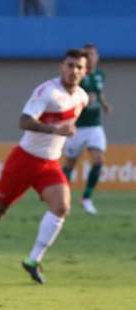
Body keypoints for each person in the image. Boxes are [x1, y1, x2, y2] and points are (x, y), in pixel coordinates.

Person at [0, 49, 89, 285]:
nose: (73, 70)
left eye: (79, 67)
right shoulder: (48, 92)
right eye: (70, 65)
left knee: (61, 207)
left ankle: (33, 260)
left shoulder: (82, 98)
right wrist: (56, 130)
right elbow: (23, 121)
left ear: (84, 71)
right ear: (61, 67)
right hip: (25, 159)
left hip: (49, 163)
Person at [62, 43, 112, 215]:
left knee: (99, 160)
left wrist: (104, 104)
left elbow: (99, 93)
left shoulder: (100, 75)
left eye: (93, 54)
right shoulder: (77, 75)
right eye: (87, 54)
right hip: (77, 126)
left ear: (97, 57)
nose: (90, 57)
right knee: (69, 164)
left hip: (95, 125)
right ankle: (62, 198)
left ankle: (86, 198)